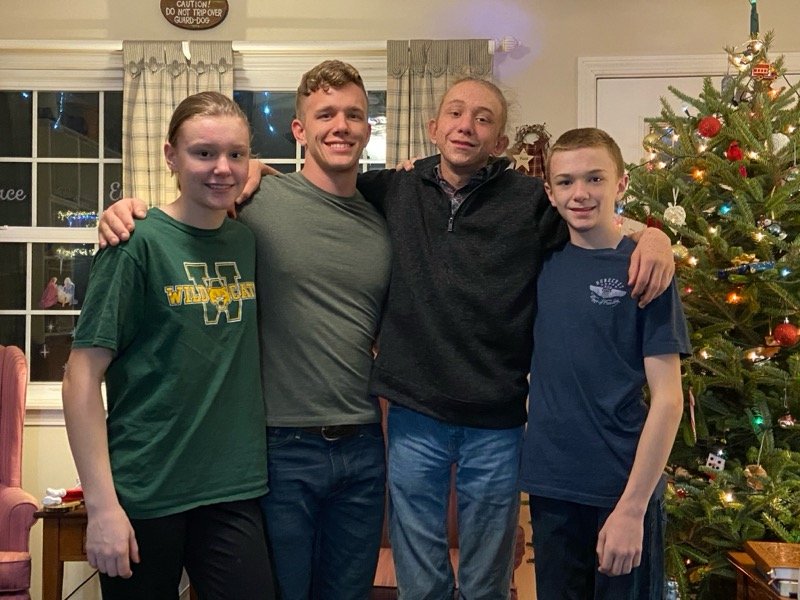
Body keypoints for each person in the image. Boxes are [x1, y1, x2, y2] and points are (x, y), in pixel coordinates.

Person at [99, 77, 673, 599]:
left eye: (482, 117)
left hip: (487, 424)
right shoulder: (390, 190)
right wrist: (224, 180)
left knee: (484, 584)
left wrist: (653, 234)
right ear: (433, 127)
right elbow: (245, 191)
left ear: (499, 139)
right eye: (454, 112)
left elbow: (590, 222)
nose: (466, 125)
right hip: (393, 424)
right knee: (408, 583)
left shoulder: (526, 201)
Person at [97, 61, 391, 600]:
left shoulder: (384, 216)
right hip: (280, 447)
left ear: (369, 127)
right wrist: (123, 210)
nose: (341, 125)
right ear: (299, 130)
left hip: (365, 445)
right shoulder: (253, 203)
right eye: (325, 114)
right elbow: (192, 204)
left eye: (354, 114)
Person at [62, 91, 274, 599]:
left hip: (232, 489)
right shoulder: (134, 244)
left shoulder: (246, 240)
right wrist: (102, 507)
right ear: (170, 156)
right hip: (145, 490)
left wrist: (258, 168)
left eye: (236, 154)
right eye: (203, 153)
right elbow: (81, 377)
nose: (222, 168)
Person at [519, 128, 690, 599]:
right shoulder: (539, 264)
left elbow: (669, 400)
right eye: (567, 181)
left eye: (595, 178)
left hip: (620, 487)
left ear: (621, 183)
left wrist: (633, 508)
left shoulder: (645, 269)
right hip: (551, 484)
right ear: (550, 193)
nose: (581, 193)